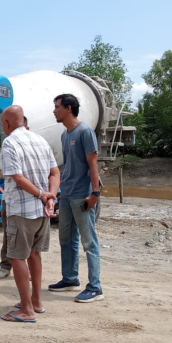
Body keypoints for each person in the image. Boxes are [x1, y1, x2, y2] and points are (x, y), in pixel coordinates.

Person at [0, 106, 59, 323]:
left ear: (6, 123)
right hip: (42, 211)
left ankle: (26, 310)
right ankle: (36, 301)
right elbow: (55, 172)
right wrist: (50, 195)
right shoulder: (40, 140)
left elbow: (16, 176)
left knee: (16, 256)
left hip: (22, 210)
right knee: (34, 254)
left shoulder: (10, 142)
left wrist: (43, 194)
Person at [48, 94, 104, 303]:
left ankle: (95, 287)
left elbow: (93, 164)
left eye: (57, 107)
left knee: (89, 242)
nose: (54, 111)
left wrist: (95, 193)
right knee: (66, 239)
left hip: (82, 195)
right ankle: (70, 278)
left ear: (68, 108)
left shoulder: (85, 132)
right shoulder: (65, 135)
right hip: (67, 194)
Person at [0, 116, 29, 279]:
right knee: (10, 234)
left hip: (31, 199)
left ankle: (27, 269)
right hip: (12, 198)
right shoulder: (9, 146)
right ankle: (5, 266)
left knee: (31, 236)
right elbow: (3, 172)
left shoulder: (36, 147)